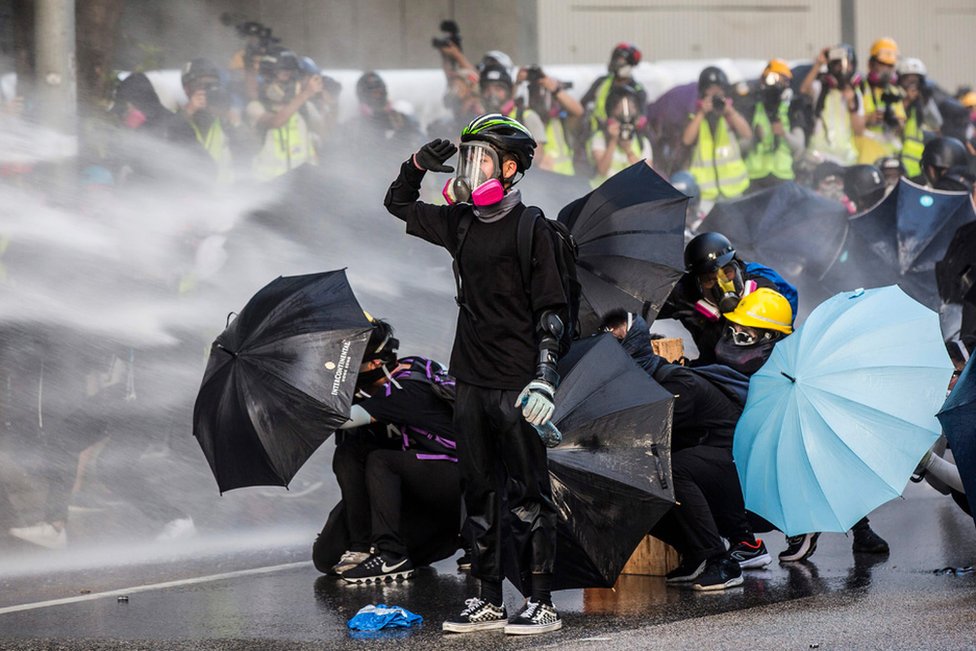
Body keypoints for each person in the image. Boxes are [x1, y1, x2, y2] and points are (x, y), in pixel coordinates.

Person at [385, 114, 567, 635]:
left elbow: (552, 312)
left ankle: (541, 602)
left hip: (518, 382)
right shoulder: (460, 223)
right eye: (468, 157)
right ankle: (488, 599)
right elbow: (397, 204)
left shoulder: (534, 228)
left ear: (509, 168)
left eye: (481, 157)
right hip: (470, 379)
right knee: (480, 491)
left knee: (531, 495)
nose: (470, 168)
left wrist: (545, 378)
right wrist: (416, 165)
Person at [601, 308, 771, 591]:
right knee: (635, 486)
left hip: (740, 466)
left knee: (671, 471)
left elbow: (651, 435)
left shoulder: (677, 382)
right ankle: (698, 555)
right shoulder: (643, 384)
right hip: (711, 464)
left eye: (616, 339)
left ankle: (721, 562)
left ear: (632, 346)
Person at [715, 291, 891, 561]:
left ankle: (808, 526)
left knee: (810, 453)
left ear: (771, 338)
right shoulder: (764, 366)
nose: (736, 340)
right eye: (734, 331)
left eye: (745, 335)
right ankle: (853, 532)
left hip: (806, 436)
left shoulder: (797, 372)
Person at [319, 320, 462, 584]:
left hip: (458, 482)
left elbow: (340, 419)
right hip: (428, 476)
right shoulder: (411, 363)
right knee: (325, 558)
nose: (347, 374)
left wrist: (305, 403)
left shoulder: (401, 391)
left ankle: (392, 556)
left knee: (382, 460)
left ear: (374, 365)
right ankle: (361, 547)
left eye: (351, 368)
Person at [656, 232, 794, 365]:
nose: (721, 285)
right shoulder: (687, 295)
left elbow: (742, 362)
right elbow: (646, 305)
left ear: (739, 267)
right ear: (697, 284)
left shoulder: (764, 294)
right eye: (709, 280)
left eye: (727, 273)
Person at [245, 48, 321, 181]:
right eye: (285, 76)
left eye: (292, 76)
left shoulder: (304, 107)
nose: (289, 83)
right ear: (267, 78)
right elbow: (276, 121)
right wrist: (305, 94)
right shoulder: (255, 107)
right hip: (269, 186)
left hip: (302, 185)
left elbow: (324, 130)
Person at [683, 66, 753, 203]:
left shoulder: (729, 115)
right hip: (705, 194)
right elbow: (686, 140)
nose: (715, 94)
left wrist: (730, 111)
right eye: (710, 90)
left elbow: (747, 134)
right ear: (703, 93)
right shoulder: (696, 116)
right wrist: (702, 113)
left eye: (718, 90)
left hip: (733, 191)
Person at [172, 58, 239, 184]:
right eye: (203, 86)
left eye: (213, 85)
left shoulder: (223, 118)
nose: (209, 91)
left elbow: (249, 150)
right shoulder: (177, 117)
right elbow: (162, 140)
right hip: (188, 197)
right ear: (187, 89)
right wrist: (188, 112)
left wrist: (233, 121)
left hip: (224, 198)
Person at [744, 59, 804, 190]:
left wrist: (784, 134)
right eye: (773, 79)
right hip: (755, 177)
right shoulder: (753, 108)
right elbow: (741, 145)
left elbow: (799, 147)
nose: (778, 84)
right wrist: (754, 137)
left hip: (782, 177)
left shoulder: (792, 109)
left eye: (783, 80)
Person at [800, 44, 865, 165]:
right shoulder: (822, 87)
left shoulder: (856, 94)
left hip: (845, 158)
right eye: (838, 64)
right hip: (819, 155)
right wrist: (818, 64)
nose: (843, 69)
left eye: (847, 64)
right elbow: (804, 89)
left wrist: (851, 104)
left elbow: (859, 130)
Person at [519, 65, 583, 176]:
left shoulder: (560, 122)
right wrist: (518, 83)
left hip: (566, 183)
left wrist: (554, 89)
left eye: (544, 93)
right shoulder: (523, 120)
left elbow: (578, 111)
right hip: (540, 184)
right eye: (535, 93)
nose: (540, 98)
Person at [587, 82, 653, 186]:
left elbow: (647, 177)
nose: (626, 113)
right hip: (603, 196)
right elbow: (602, 170)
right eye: (619, 108)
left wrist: (628, 151)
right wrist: (613, 141)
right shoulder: (601, 138)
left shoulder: (642, 142)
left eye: (632, 107)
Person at [857, 37, 905, 163]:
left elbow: (901, 125)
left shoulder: (894, 93)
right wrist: (868, 119)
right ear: (871, 64)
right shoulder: (860, 88)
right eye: (882, 64)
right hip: (864, 159)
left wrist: (895, 122)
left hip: (888, 161)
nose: (886, 70)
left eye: (890, 66)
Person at [581, 43, 647, 131]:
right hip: (599, 132)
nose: (617, 64)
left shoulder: (637, 89)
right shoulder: (602, 83)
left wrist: (638, 122)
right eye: (616, 60)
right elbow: (583, 104)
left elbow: (642, 114)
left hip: (627, 135)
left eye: (621, 62)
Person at [896, 57, 942, 182]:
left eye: (916, 81)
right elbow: (894, 125)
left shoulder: (921, 103)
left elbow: (936, 124)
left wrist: (925, 101)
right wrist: (906, 101)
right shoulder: (894, 98)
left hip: (917, 168)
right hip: (895, 165)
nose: (912, 85)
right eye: (908, 80)